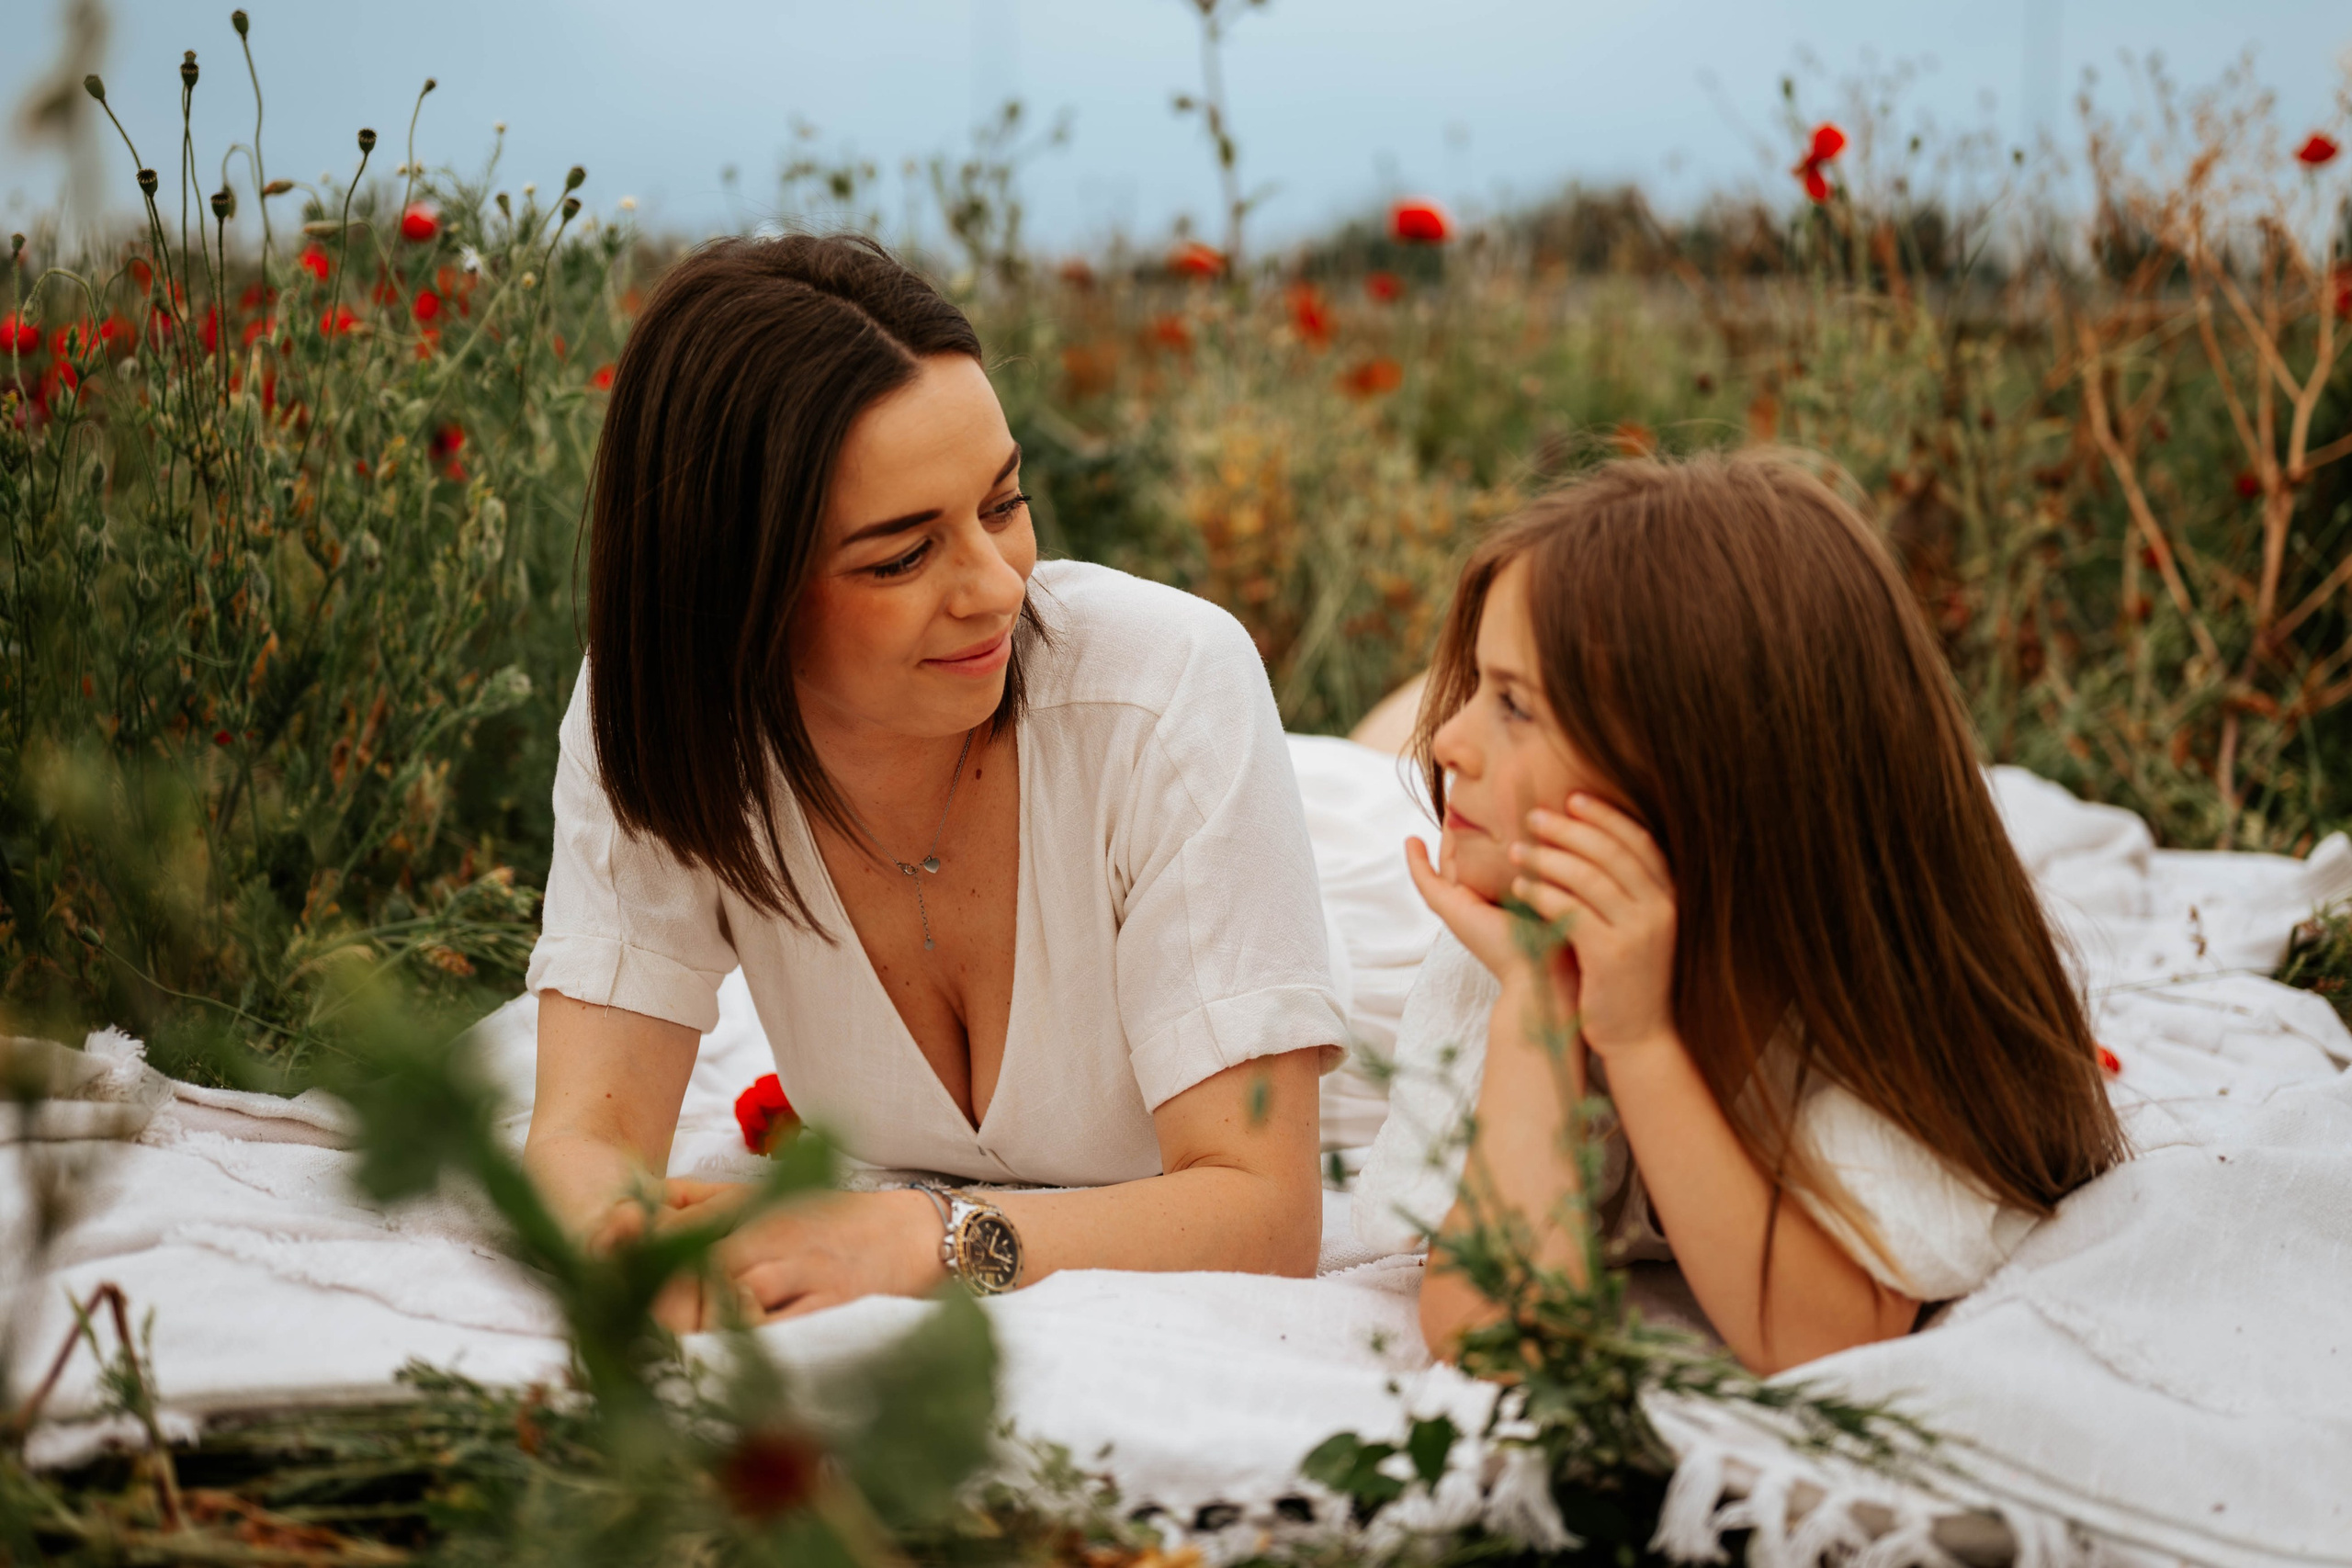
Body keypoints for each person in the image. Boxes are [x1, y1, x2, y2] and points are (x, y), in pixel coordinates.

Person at [522, 235, 1343, 1326]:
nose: (998, 587)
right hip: (1198, 810)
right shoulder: (664, 720)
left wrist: (928, 1234)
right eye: (902, 556)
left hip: (1344, 885)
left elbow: (1264, 1212)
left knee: (1383, 769)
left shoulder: (1171, 684)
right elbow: (585, 1140)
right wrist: (641, 1255)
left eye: (1002, 504)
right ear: (730, 595)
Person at [1360, 451, 2128, 1374]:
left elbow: (1825, 1337)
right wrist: (1539, 1001)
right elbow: (1500, 1333)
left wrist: (1638, 1039)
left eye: (1515, 706)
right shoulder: (1521, 931)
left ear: (1701, 777)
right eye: (1477, 689)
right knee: (1353, 771)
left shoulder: (1864, 1008)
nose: (1447, 742)